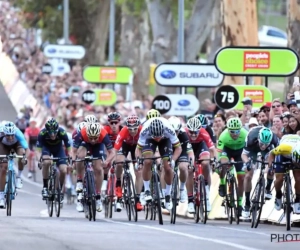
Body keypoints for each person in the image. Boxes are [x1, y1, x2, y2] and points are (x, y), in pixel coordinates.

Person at [135, 117, 182, 211]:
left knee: (168, 167)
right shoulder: (145, 130)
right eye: (155, 137)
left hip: (165, 141)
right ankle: (147, 190)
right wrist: (139, 160)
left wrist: (173, 160)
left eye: (158, 136)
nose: (157, 139)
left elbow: (178, 148)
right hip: (149, 141)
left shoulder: (169, 129)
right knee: (147, 161)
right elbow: (138, 149)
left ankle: (167, 195)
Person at [73, 122, 115, 212]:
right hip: (85, 143)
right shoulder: (83, 133)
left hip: (98, 146)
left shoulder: (103, 134)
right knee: (80, 156)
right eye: (91, 138)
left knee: (99, 169)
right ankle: (80, 180)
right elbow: (74, 150)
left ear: (98, 135)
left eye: (94, 138)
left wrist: (107, 161)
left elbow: (112, 152)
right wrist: (73, 161)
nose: (92, 140)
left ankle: (98, 197)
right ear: (87, 134)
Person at [241, 127, 279, 217]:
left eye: (266, 144)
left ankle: (268, 188)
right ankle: (247, 203)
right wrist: (247, 163)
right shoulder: (251, 137)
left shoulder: (275, 140)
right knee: (248, 175)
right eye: (262, 143)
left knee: (272, 167)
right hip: (253, 150)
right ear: (258, 139)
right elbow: (244, 154)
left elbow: (276, 156)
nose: (263, 146)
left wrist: (269, 167)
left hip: (269, 151)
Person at [217, 117, 248, 216]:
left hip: (240, 152)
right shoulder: (223, 136)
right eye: (232, 131)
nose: (235, 134)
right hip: (227, 151)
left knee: (241, 178)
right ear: (228, 129)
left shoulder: (245, 134)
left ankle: (239, 204)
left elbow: (249, 149)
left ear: (241, 129)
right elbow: (219, 152)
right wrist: (219, 162)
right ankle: (222, 183)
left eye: (237, 131)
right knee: (224, 165)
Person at [37, 118, 71, 204]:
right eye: (50, 133)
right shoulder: (42, 133)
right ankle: (45, 187)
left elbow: (68, 147)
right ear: (47, 131)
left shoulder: (62, 132)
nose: (52, 135)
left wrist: (70, 157)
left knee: (63, 170)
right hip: (46, 149)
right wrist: (39, 160)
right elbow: (38, 151)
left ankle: (59, 190)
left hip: (58, 150)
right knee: (47, 162)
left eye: (54, 133)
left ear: (57, 130)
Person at [114, 115, 143, 211]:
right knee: (119, 163)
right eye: (130, 129)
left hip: (137, 148)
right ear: (127, 127)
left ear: (138, 127)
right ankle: (118, 183)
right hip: (125, 145)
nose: (133, 131)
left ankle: (138, 199)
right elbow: (115, 149)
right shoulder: (123, 131)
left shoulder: (142, 131)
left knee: (139, 171)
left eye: (135, 129)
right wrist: (113, 158)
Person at [268, 134, 300, 214]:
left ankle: (298, 199)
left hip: (296, 149)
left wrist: (297, 164)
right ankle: (278, 195)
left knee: (299, 178)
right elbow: (271, 153)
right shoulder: (284, 148)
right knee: (279, 178)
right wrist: (270, 166)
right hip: (283, 154)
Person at [0, 122, 28, 208]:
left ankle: (19, 177)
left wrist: (24, 158)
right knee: (3, 168)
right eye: (8, 135)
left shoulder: (18, 133)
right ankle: (1, 197)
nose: (10, 137)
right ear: (4, 133)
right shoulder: (0, 134)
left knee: (21, 154)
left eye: (12, 135)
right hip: (3, 146)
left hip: (16, 145)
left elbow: (25, 147)